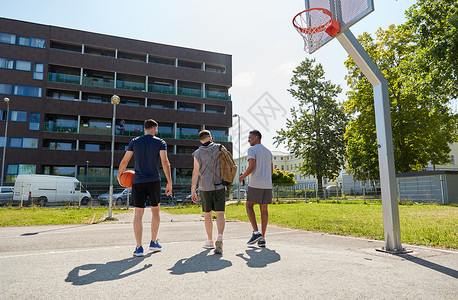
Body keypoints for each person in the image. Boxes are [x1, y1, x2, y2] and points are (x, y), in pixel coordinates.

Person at [117, 119, 172, 257]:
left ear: (144, 129)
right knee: (155, 212)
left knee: (138, 215)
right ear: (155, 129)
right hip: (154, 181)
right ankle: (153, 242)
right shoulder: (160, 142)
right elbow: (165, 163)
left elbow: (125, 160)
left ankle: (139, 247)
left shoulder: (134, 141)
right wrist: (169, 181)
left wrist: (119, 175)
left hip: (138, 182)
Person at [191, 130, 226, 254]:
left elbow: (195, 173)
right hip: (220, 185)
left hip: (205, 187)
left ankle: (210, 241)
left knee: (207, 214)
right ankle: (220, 237)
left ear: (200, 140)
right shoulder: (220, 148)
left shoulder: (197, 153)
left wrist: (193, 190)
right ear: (210, 137)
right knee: (220, 213)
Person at [239, 130, 273, 248]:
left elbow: (252, 166)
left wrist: (242, 177)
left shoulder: (252, 150)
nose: (248, 140)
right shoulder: (268, 152)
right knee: (264, 210)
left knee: (249, 206)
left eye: (250, 138)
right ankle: (262, 238)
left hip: (255, 183)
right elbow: (271, 170)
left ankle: (256, 232)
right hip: (267, 184)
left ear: (257, 137)